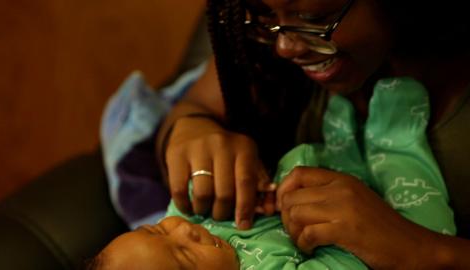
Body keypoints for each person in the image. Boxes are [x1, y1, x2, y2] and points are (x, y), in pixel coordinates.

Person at [151, 0, 470, 268]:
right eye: (265, 15)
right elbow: (191, 107)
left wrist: (424, 252)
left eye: (314, 19)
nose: (285, 48)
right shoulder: (263, 50)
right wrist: (192, 128)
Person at [95, 76, 455, 269]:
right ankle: (396, 138)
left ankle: (344, 133)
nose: (186, 232)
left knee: (321, 156)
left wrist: (254, 192)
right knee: (413, 194)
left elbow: (198, 197)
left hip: (327, 183)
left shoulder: (189, 223)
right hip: (392, 240)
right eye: (186, 259)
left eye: (157, 230)